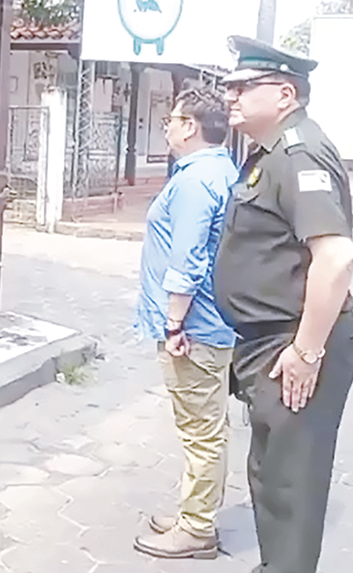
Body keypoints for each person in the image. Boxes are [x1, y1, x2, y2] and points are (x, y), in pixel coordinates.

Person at [213, 36, 353, 573]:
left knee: (291, 485)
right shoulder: (273, 152)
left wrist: (306, 352)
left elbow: (337, 257)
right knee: (272, 477)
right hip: (269, 344)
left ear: (284, 93)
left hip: (291, 344)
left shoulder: (298, 153)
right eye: (229, 86)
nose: (229, 95)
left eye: (242, 87)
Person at [131, 88, 238, 559]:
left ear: (191, 125)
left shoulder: (197, 180)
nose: (168, 128)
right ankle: (194, 511)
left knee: (201, 430)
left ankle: (197, 528)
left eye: (171, 120)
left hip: (194, 328)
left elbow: (188, 259)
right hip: (205, 323)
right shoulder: (217, 170)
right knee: (203, 426)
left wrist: (174, 323)